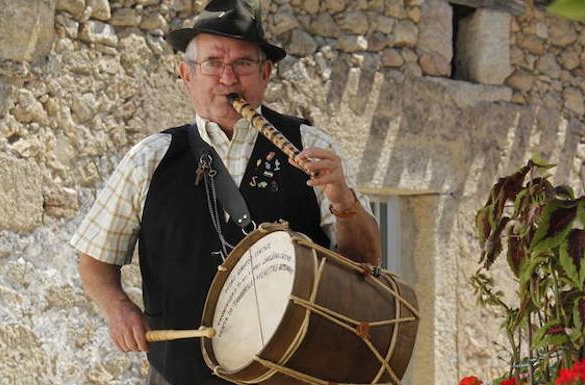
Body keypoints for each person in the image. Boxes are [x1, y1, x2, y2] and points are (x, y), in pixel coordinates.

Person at [71, 1, 382, 384]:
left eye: (243, 64)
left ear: (266, 74)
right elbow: (94, 261)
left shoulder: (309, 145)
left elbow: (365, 260)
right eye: (212, 63)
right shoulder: (149, 159)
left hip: (292, 375)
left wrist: (342, 198)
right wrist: (118, 310)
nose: (228, 78)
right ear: (186, 75)